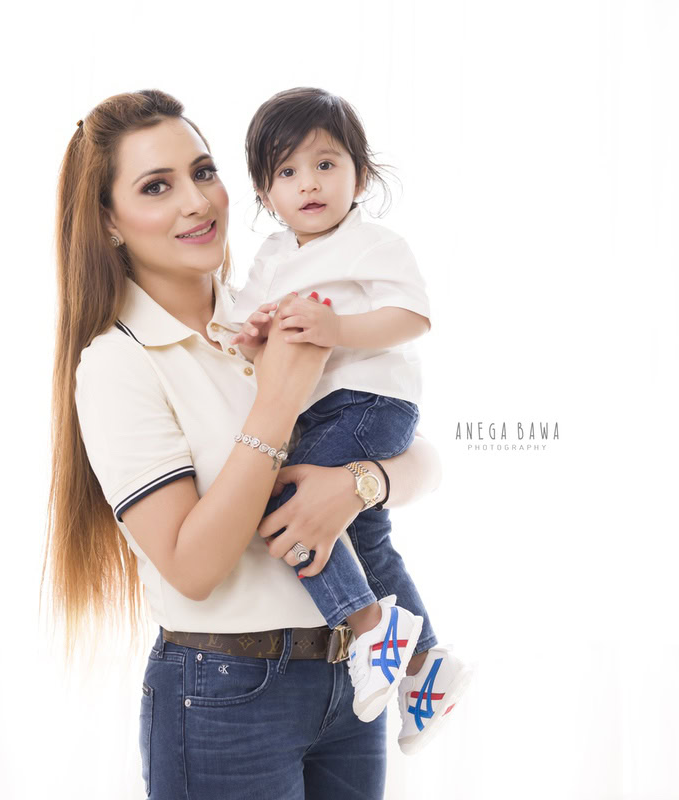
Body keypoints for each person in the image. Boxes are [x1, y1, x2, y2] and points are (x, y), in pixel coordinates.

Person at [44, 89, 443, 799]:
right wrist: (279, 400)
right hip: (226, 689)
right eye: (157, 186)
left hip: (347, 681)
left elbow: (423, 459)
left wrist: (358, 486)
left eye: (203, 172)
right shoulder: (121, 361)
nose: (197, 203)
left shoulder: (268, 310)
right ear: (109, 220)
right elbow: (193, 567)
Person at [227, 87, 475, 752]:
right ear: (264, 195)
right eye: (287, 171)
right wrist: (251, 333)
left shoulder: (371, 243)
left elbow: (414, 316)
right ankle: (425, 664)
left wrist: (339, 328)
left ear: (360, 177)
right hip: (322, 413)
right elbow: (244, 330)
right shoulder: (272, 260)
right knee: (367, 541)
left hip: (370, 404)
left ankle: (368, 627)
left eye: (326, 164)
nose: (308, 183)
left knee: (288, 499)